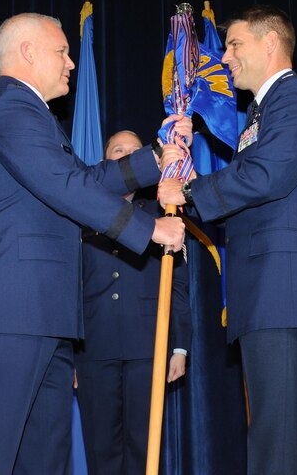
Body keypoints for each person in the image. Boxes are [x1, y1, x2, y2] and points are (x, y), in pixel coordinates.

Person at [0, 13, 188, 474]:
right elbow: (65, 187)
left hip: (46, 316)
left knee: (44, 459)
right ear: (28, 52)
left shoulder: (33, 116)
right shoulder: (13, 109)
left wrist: (156, 159)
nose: (71, 63)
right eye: (61, 51)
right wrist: (149, 229)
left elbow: (85, 178)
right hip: (13, 313)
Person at [159, 5, 297, 474]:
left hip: (283, 294)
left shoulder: (295, 99)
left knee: (276, 450)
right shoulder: (264, 112)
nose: (224, 57)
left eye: (235, 44)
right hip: (272, 296)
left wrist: (186, 191)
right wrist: (189, 171)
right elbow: (250, 190)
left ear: (270, 44)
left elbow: (265, 176)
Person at [74, 130, 192, 475]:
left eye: (134, 151)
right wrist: (68, 354)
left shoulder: (162, 210)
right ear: (104, 162)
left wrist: (180, 348)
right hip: (93, 349)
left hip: (148, 347)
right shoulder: (81, 213)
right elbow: (69, 287)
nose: (126, 156)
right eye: (118, 150)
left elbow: (179, 285)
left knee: (145, 449)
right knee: (101, 451)